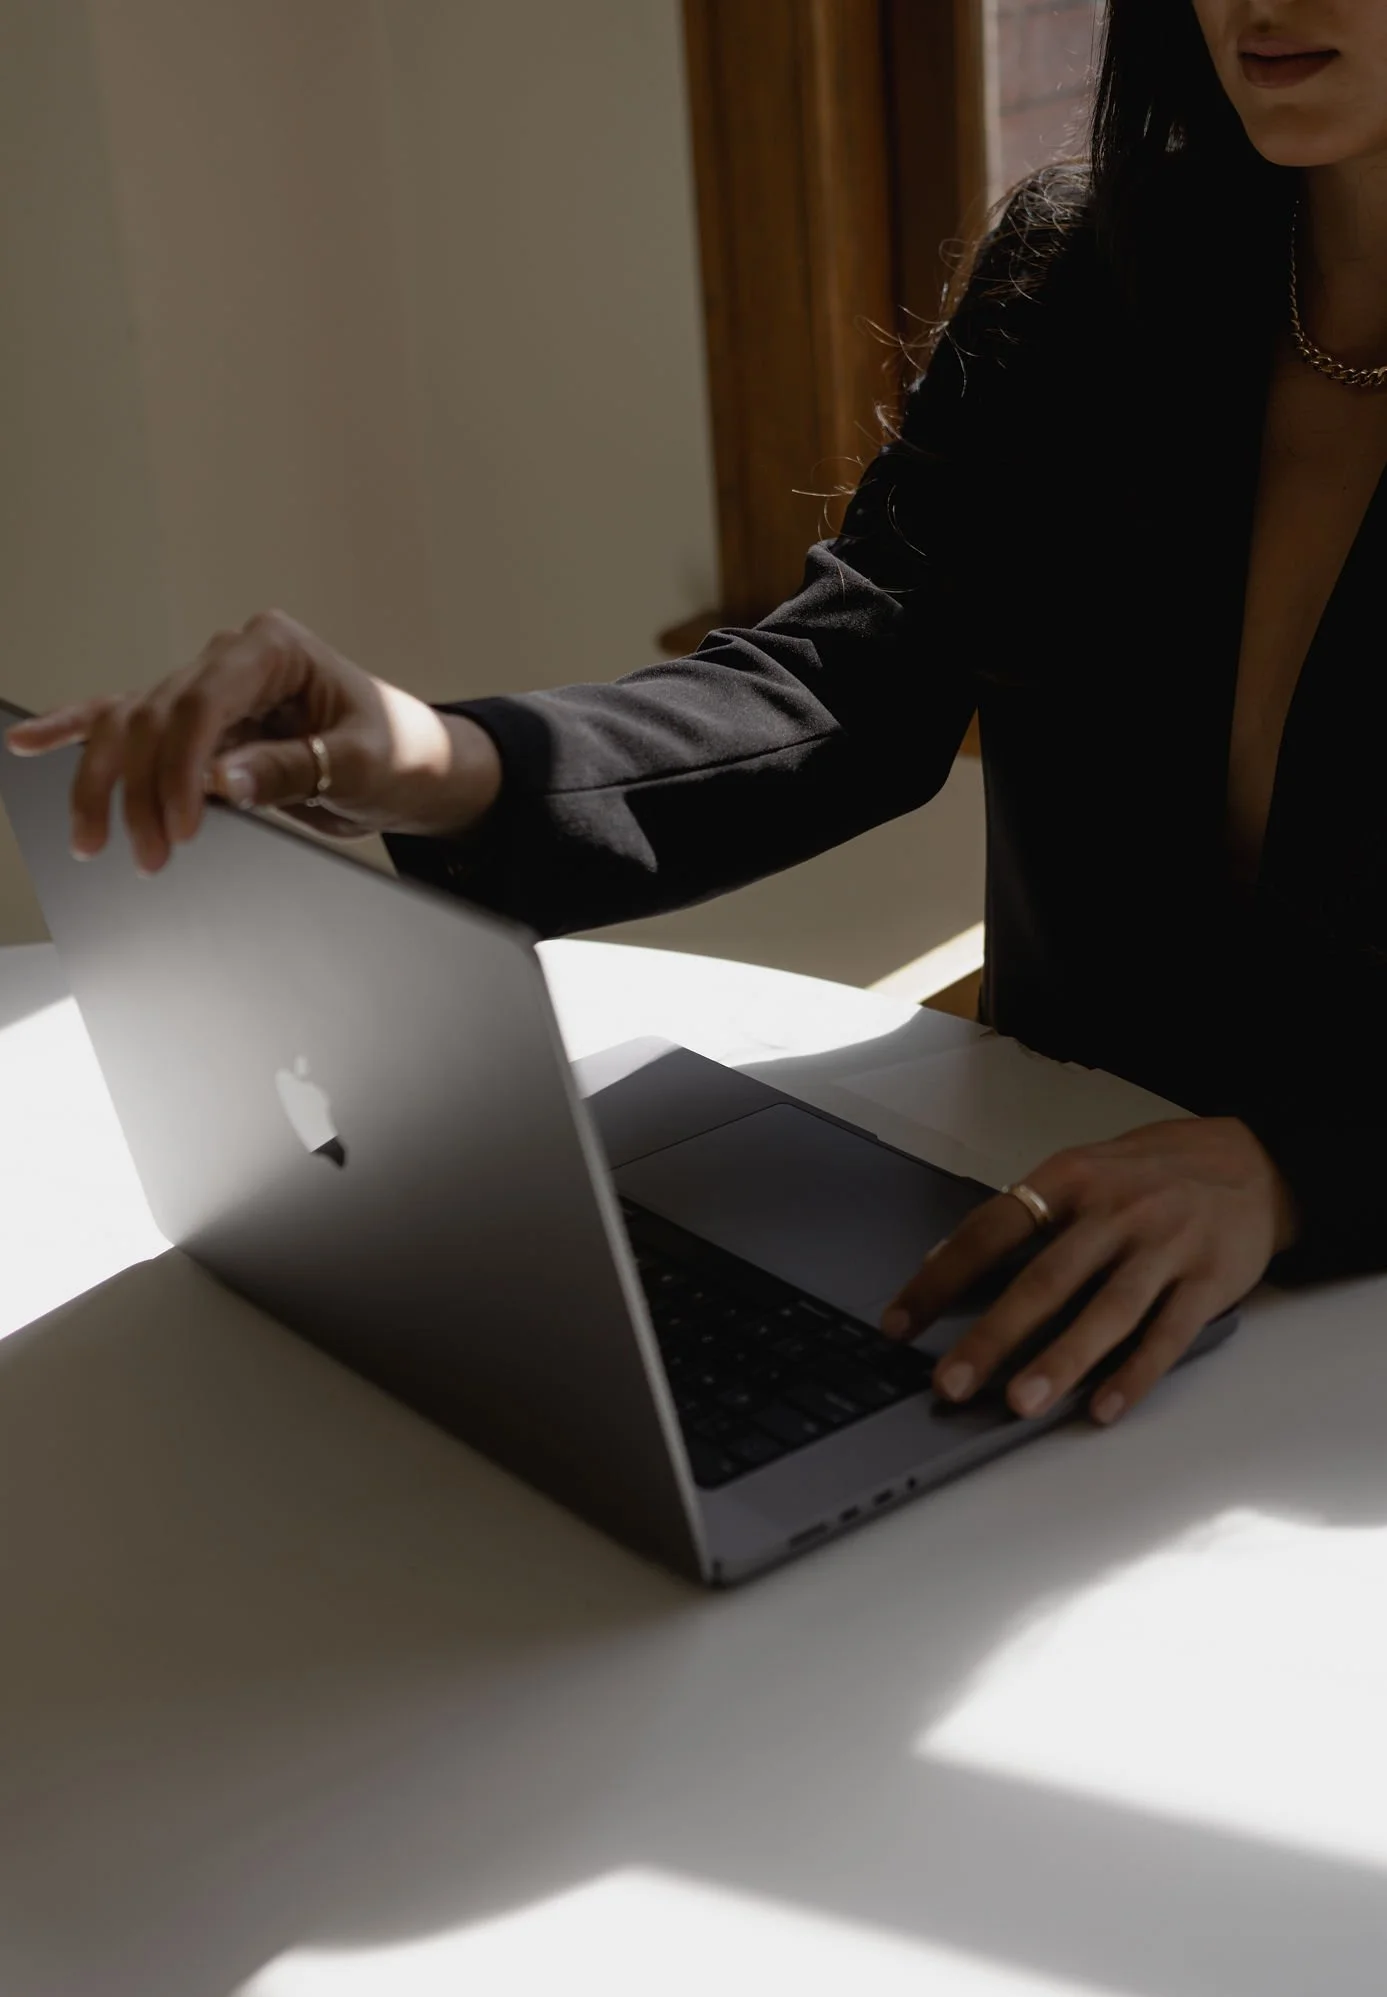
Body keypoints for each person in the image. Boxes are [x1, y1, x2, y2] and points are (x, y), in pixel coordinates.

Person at [8, 0, 1385, 1432]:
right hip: (1028, 1257)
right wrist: (430, 758)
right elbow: (837, 685)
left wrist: (1295, 1173)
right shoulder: (1094, 278)